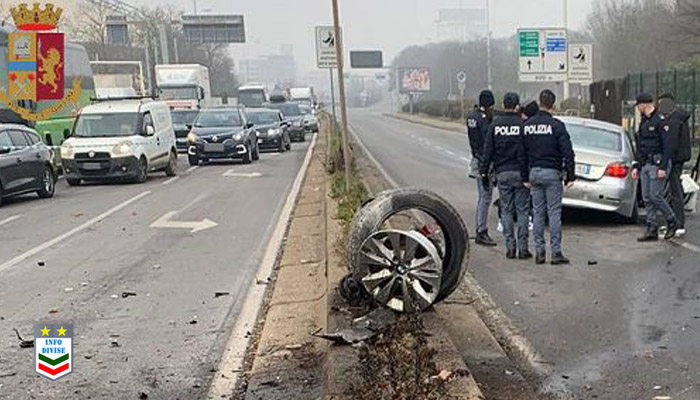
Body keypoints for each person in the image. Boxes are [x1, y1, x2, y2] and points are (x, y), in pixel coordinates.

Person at [523, 90, 575, 265]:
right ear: (553, 105)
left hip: (534, 173)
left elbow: (522, 153)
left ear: (539, 102)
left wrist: (525, 176)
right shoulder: (557, 125)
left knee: (538, 213)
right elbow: (567, 151)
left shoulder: (528, 125)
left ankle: (539, 252)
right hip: (552, 173)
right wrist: (570, 175)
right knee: (554, 213)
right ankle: (556, 252)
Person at [481, 92, 531, 259]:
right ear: (517, 106)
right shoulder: (524, 124)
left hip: (502, 173)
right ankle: (523, 248)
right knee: (523, 210)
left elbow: (487, 151)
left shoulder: (495, 125)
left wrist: (483, 171)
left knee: (507, 211)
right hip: (521, 173)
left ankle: (510, 247)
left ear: (503, 105)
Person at [632, 93, 679, 241]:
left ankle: (672, 220)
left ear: (644, 105)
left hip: (658, 164)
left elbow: (668, 146)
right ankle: (651, 227)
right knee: (646, 197)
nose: (638, 108)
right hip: (646, 164)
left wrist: (663, 167)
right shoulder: (644, 122)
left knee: (655, 195)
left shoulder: (660, 121)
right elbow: (641, 146)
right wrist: (636, 165)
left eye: (639, 105)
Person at [658, 93, 691, 236]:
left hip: (674, 160)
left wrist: (665, 162)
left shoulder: (673, 121)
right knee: (673, 190)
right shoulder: (678, 119)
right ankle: (675, 222)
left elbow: (671, 144)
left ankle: (677, 223)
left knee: (674, 191)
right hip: (679, 158)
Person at [467, 90, 497, 246]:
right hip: (483, 162)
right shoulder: (483, 119)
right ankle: (481, 231)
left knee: (483, 197)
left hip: (477, 159)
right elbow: (486, 142)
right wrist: (487, 165)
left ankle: (481, 229)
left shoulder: (472, 116)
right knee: (485, 197)